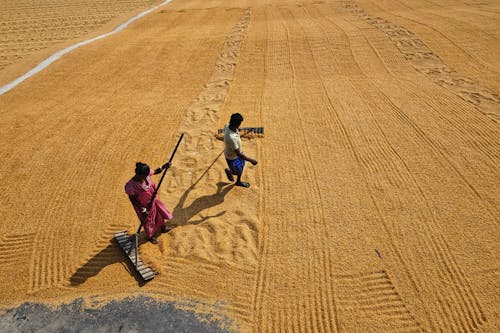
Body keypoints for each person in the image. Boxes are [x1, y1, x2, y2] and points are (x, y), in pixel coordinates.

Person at [125, 162, 173, 244]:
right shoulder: (131, 186)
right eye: (145, 176)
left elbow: (156, 171)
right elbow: (133, 199)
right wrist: (142, 209)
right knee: (148, 221)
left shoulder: (146, 175)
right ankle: (150, 236)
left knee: (160, 214)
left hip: (154, 200)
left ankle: (163, 228)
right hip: (144, 206)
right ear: (139, 174)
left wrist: (164, 166)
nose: (147, 176)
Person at [224, 113, 258, 188]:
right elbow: (238, 154)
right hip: (232, 158)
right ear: (237, 124)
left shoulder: (227, 126)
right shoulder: (231, 138)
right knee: (237, 172)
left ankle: (238, 181)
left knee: (242, 166)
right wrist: (251, 160)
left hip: (238, 154)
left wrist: (237, 130)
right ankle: (229, 171)